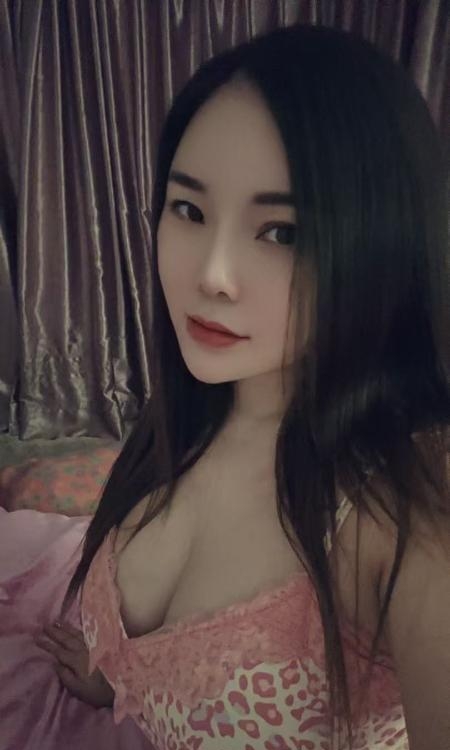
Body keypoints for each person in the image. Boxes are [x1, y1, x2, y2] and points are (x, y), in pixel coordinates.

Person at [1, 22, 449, 750]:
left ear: (382, 245)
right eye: (189, 209)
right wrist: (112, 670)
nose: (210, 274)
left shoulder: (407, 502)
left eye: (283, 232)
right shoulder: (192, 412)